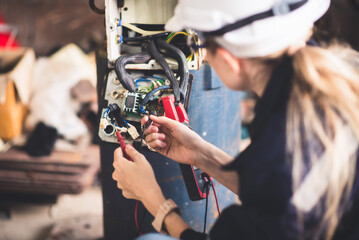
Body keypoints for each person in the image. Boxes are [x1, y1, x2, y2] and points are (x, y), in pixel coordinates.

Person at [112, 0, 359, 239]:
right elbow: (278, 192)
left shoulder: (281, 149)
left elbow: (280, 187)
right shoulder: (326, 86)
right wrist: (199, 153)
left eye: (199, 45)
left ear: (230, 59)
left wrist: (154, 200)